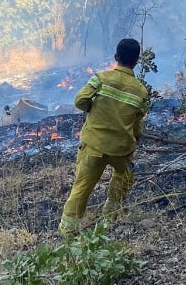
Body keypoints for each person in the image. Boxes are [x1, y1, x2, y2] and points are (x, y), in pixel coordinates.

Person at [59, 38, 151, 237]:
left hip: (94, 145)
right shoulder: (142, 91)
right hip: (121, 149)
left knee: (82, 187)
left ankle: (68, 231)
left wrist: (93, 109)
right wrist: (136, 134)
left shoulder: (100, 78)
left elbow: (79, 100)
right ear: (137, 61)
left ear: (116, 57)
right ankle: (110, 218)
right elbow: (137, 123)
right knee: (123, 178)